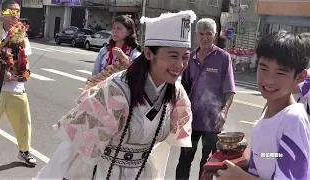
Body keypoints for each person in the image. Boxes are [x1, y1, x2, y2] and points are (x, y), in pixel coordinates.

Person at [33, 10, 196, 180]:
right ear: (148, 54)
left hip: (142, 172)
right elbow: (79, 146)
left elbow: (166, 143)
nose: (180, 64)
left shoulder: (176, 92)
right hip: (104, 171)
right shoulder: (117, 90)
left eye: (185, 57)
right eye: (173, 56)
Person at [217, 31, 310, 180]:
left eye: (280, 73)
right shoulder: (269, 110)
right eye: (263, 68)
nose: (269, 80)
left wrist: (240, 177)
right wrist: (251, 157)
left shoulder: (293, 118)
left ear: (300, 77)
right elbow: (274, 155)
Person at [176, 18, 235, 179]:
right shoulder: (190, 57)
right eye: (201, 34)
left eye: (209, 34)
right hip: (191, 120)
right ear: (196, 35)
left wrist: (223, 112)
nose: (205, 37)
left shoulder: (223, 57)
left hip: (212, 121)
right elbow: (183, 89)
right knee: (184, 159)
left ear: (215, 35)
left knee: (208, 163)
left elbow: (229, 90)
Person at [0, 0, 36, 169]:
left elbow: (26, 59)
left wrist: (26, 73)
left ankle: (24, 151)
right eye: (10, 11)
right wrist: (3, 72)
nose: (14, 14)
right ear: (3, 13)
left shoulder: (22, 34)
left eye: (17, 11)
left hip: (16, 87)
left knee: (24, 121)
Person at [83, 15, 141, 91]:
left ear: (129, 32)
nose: (115, 31)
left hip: (123, 95)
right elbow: (95, 74)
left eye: (119, 28)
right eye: (113, 28)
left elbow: (138, 77)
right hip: (101, 92)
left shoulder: (134, 54)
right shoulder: (104, 51)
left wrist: (124, 58)